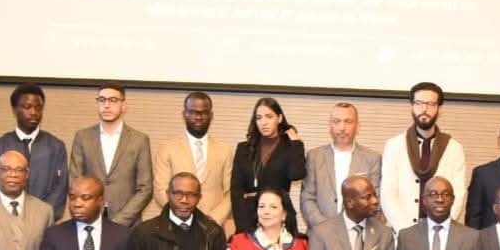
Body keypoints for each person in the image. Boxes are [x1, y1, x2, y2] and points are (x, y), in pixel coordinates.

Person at [381, 82, 467, 229]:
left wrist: (440, 228)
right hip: (402, 230)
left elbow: (458, 194)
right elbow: (388, 194)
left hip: (440, 231)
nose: (424, 109)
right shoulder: (394, 146)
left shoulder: (454, 148)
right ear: (412, 107)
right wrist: (407, 232)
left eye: (431, 104)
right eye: (419, 103)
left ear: (439, 109)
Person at [68, 84, 154, 226]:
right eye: (102, 100)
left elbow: (145, 189)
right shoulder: (82, 137)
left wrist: (119, 222)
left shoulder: (139, 140)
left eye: (113, 100)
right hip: (89, 220)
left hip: (127, 224)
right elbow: (75, 180)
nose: (106, 105)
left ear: (124, 106)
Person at [151, 92, 234, 233]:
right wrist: (181, 215)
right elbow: (160, 189)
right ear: (184, 114)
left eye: (203, 113)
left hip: (212, 228)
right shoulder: (166, 148)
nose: (198, 117)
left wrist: (213, 219)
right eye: (193, 112)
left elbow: (231, 192)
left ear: (211, 115)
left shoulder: (225, 150)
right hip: (176, 225)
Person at [0, 84, 69, 218]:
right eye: (27, 107)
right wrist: (11, 219)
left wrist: (41, 218)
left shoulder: (56, 147)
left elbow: (60, 188)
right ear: (14, 110)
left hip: (45, 223)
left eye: (38, 107)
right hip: (6, 222)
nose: (33, 112)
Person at [230, 97, 307, 234]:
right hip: (248, 217)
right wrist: (242, 226)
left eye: (269, 117)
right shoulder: (244, 148)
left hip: (280, 217)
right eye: (259, 118)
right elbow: (236, 190)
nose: (263, 122)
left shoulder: (290, 146)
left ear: (280, 118)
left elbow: (296, 174)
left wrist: (296, 143)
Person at [301, 102, 382, 230]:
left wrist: (354, 228)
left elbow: (376, 201)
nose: (342, 127)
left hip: (359, 233)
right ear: (330, 126)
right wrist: (326, 228)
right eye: (336, 121)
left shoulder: (372, 158)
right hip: (320, 232)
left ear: (358, 126)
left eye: (348, 121)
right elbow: (307, 198)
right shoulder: (314, 156)